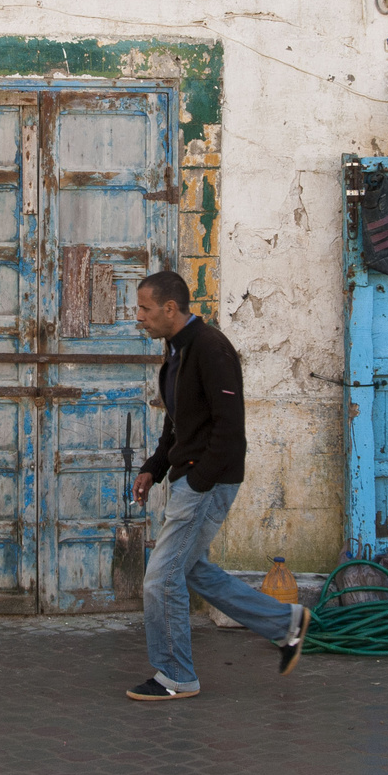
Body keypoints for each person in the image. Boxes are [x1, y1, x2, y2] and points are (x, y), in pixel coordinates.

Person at [124, 270, 310, 701]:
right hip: (192, 475)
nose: (140, 317)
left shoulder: (211, 349)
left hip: (207, 482)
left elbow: (230, 428)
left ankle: (175, 676)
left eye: (145, 309)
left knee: (160, 579)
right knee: (190, 569)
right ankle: (286, 624)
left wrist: (198, 482)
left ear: (171, 308)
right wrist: (154, 466)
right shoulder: (177, 350)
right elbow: (179, 421)